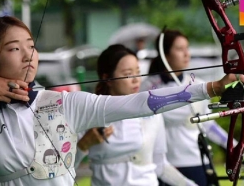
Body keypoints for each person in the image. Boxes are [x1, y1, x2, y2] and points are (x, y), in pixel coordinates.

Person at [0, 16, 244, 186]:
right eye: (14, 48)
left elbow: (141, 103)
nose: (28, 55)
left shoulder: (64, 104)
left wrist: (212, 87)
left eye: (31, 45)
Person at [75, 44, 199, 186]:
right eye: (128, 74)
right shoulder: (89, 114)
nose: (136, 80)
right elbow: (64, 167)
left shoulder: (152, 112)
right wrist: (84, 144)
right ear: (107, 78)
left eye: (138, 72)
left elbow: (160, 166)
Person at [140, 29, 239, 186]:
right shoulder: (148, 87)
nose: (186, 54)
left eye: (187, 48)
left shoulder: (197, 84)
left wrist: (233, 145)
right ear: (165, 55)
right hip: (166, 164)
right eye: (179, 49)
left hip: (197, 160)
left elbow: (207, 123)